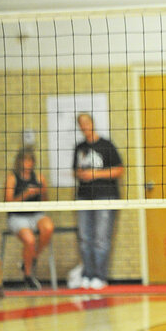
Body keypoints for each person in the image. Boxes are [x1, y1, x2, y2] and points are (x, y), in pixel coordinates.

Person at [73, 113, 124, 290]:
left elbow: (119, 170)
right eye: (81, 124)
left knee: (101, 238)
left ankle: (100, 277)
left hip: (106, 196)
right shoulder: (79, 148)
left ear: (93, 123)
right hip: (84, 196)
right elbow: (75, 171)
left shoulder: (106, 145)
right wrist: (82, 174)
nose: (84, 126)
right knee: (85, 238)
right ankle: (87, 274)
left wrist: (95, 174)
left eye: (87, 122)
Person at [4, 147, 54, 290]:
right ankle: (27, 275)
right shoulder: (12, 178)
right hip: (17, 216)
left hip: (36, 214)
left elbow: (46, 202)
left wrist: (42, 192)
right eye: (25, 160)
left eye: (30, 160)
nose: (28, 163)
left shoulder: (39, 178)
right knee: (30, 240)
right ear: (19, 162)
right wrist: (25, 195)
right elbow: (7, 203)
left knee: (48, 227)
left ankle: (30, 259)